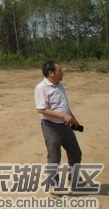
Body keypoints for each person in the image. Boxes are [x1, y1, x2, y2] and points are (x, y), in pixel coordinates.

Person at [34, 61, 82, 189]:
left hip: (65, 125)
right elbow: (41, 109)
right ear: (51, 73)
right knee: (54, 156)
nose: (62, 73)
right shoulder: (41, 88)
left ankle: (74, 179)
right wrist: (62, 116)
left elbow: (64, 106)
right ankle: (53, 184)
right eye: (59, 71)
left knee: (75, 152)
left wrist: (73, 119)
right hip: (51, 126)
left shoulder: (60, 85)